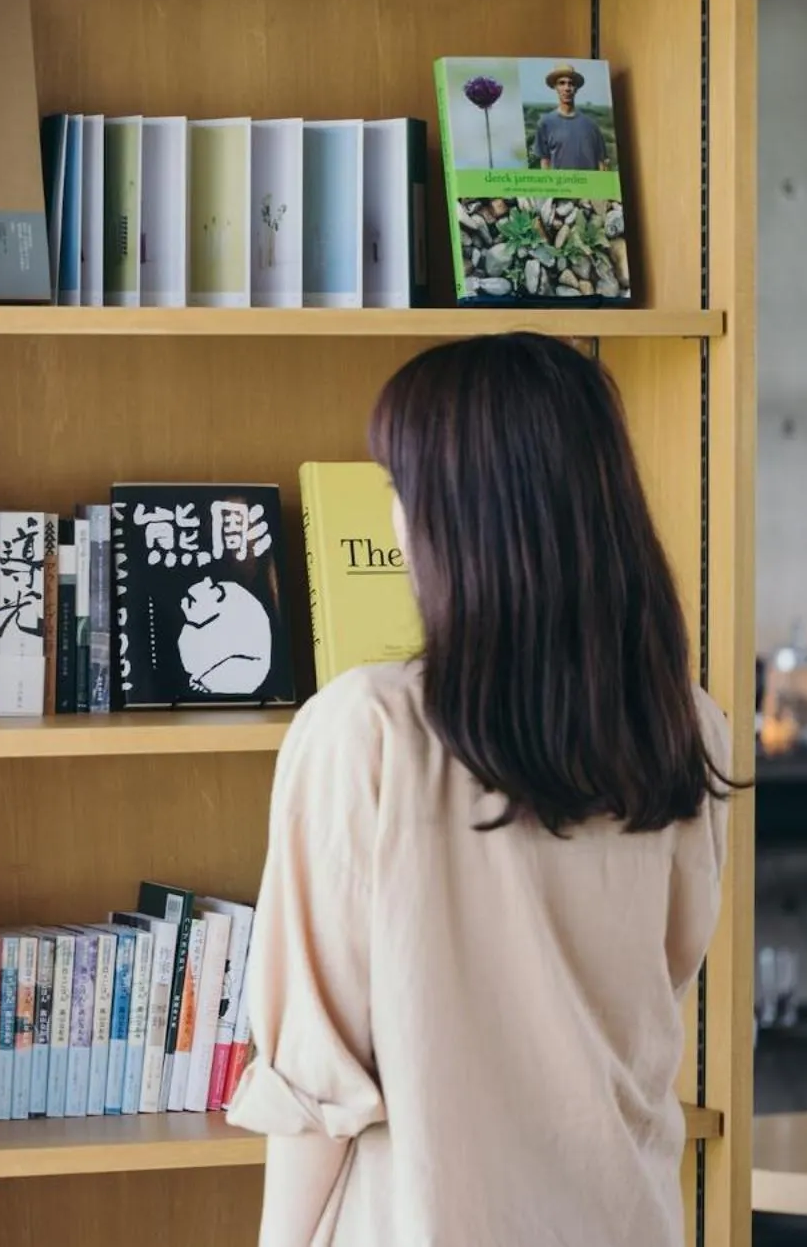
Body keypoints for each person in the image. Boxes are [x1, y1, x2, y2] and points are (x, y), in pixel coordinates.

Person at [224, 333, 735, 1247]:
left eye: (398, 489)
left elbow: (314, 1086)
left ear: (458, 515)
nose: (391, 520)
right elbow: (662, 992)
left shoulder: (365, 729)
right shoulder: (683, 726)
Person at [532, 63, 609, 170]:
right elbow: (545, 163)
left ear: (576, 88)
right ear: (555, 87)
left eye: (571, 84)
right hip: (561, 186)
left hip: (589, 186)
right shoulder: (545, 123)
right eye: (562, 83)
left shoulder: (591, 125)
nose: (567, 88)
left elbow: (602, 164)